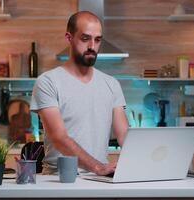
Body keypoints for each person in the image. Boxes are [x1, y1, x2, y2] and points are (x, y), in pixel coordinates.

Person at [30, 11, 129, 175]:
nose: (92, 46)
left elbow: (125, 135)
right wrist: (98, 167)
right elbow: (59, 138)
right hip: (60, 178)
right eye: (85, 38)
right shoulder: (48, 82)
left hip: (100, 178)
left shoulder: (111, 84)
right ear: (69, 38)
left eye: (97, 40)